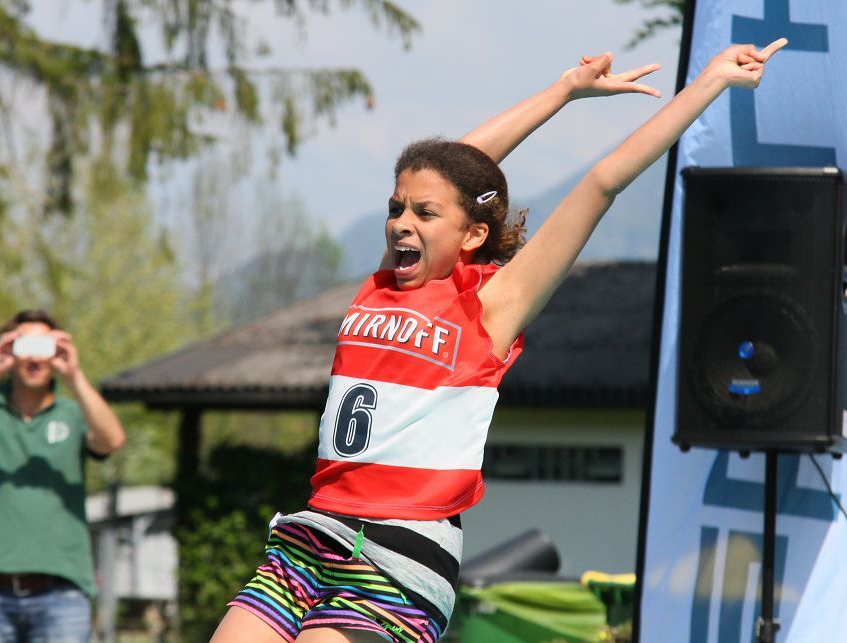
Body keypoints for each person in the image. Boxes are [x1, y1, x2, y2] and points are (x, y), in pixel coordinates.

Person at [212, 38, 788, 643]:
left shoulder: (489, 307)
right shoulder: (383, 283)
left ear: (472, 234)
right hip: (313, 535)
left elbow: (602, 182)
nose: (402, 222)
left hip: (397, 556)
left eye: (424, 214)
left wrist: (710, 82)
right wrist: (564, 91)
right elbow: (459, 168)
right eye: (395, 208)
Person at [0, 310, 127, 643]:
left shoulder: (73, 414)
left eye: (43, 346)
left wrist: (75, 376)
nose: (34, 358)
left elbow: (112, 440)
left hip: (61, 594)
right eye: (25, 345)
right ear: (9, 350)